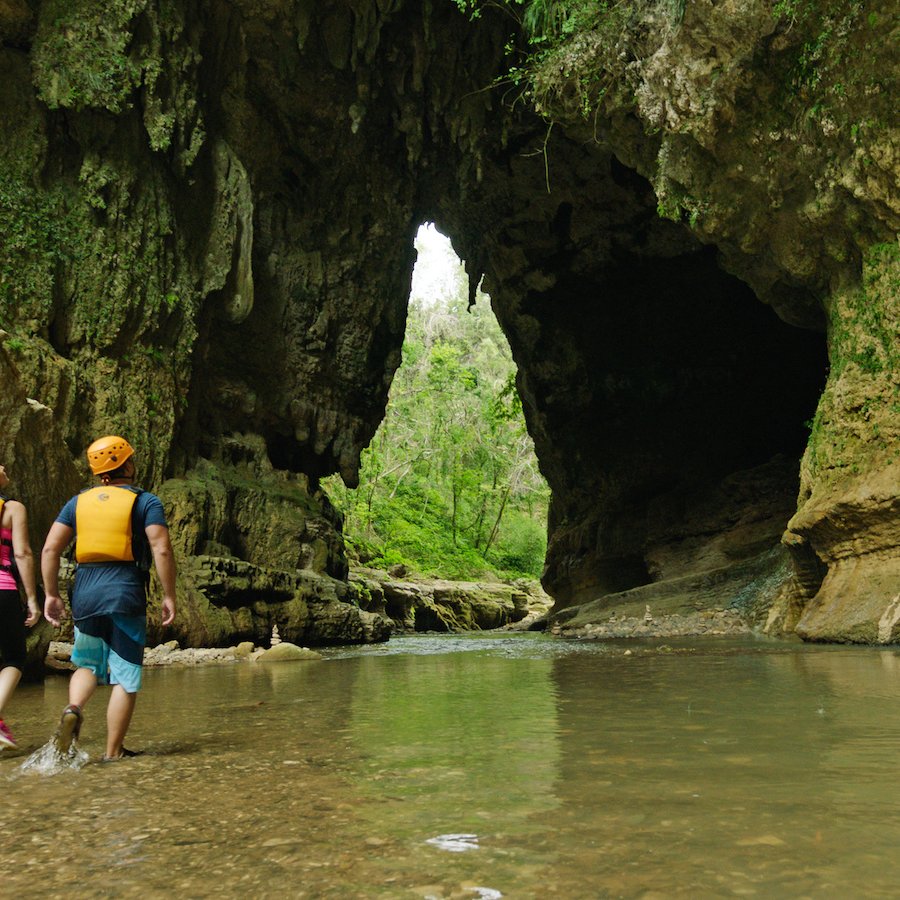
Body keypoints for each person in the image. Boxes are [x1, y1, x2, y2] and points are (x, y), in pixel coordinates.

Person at [42, 435, 176, 760]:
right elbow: (161, 547)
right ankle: (113, 752)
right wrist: (169, 594)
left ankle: (73, 708)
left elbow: (49, 548)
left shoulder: (77, 503)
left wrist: (50, 594)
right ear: (127, 464)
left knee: (87, 664)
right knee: (125, 674)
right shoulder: (146, 502)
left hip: (85, 593)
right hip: (125, 592)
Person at [0, 464, 42, 749]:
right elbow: (22, 553)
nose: (4, 466)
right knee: (15, 658)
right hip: (3, 589)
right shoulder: (12, 509)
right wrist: (32, 600)